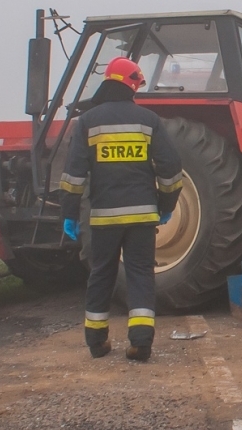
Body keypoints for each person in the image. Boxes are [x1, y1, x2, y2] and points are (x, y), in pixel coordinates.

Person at [59, 56, 185, 361]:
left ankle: (97, 342)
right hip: (142, 216)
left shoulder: (87, 122)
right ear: (132, 85)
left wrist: (69, 213)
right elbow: (170, 169)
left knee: (101, 273)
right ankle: (141, 341)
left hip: (103, 217)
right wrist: (165, 205)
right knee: (141, 273)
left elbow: (74, 175)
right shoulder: (149, 121)